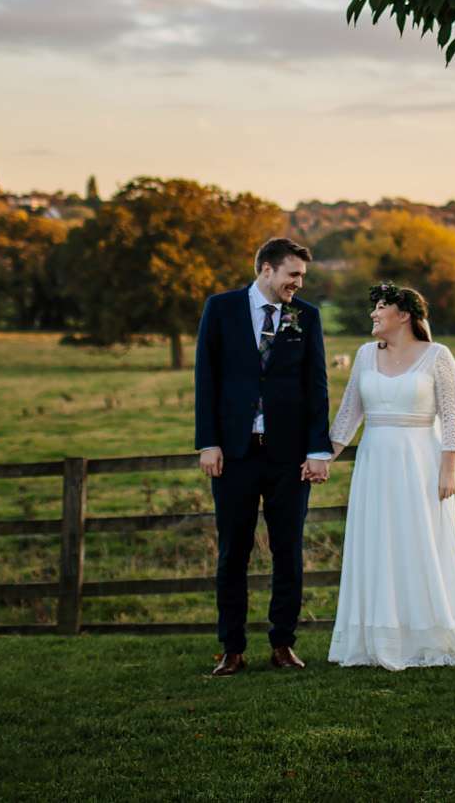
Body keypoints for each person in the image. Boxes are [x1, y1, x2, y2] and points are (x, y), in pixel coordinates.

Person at [327, 282, 455, 669]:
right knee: (378, 543)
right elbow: (349, 414)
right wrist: (324, 458)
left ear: (403, 315)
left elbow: (452, 418)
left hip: (421, 464)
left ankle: (430, 632)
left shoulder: (438, 356)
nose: (373, 314)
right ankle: (380, 635)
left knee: (420, 543)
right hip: (375, 463)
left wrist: (448, 469)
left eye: (380, 307)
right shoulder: (365, 355)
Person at [193, 238, 332, 676]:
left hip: (288, 457)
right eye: (293, 275)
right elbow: (206, 378)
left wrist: (317, 450)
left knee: (288, 550)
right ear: (266, 270)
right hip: (233, 454)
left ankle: (283, 643)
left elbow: (317, 385)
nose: (298, 283)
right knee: (233, 551)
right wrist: (208, 442)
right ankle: (231, 648)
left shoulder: (304, 316)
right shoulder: (221, 308)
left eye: (302, 277)